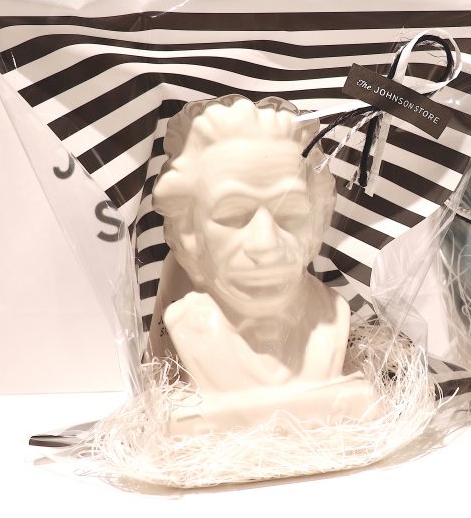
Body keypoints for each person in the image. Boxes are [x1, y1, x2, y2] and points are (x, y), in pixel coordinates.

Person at [152, 95, 374, 434]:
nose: (265, 244)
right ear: (188, 231)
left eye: (289, 215)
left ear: (317, 223)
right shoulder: (185, 329)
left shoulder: (334, 317)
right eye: (232, 216)